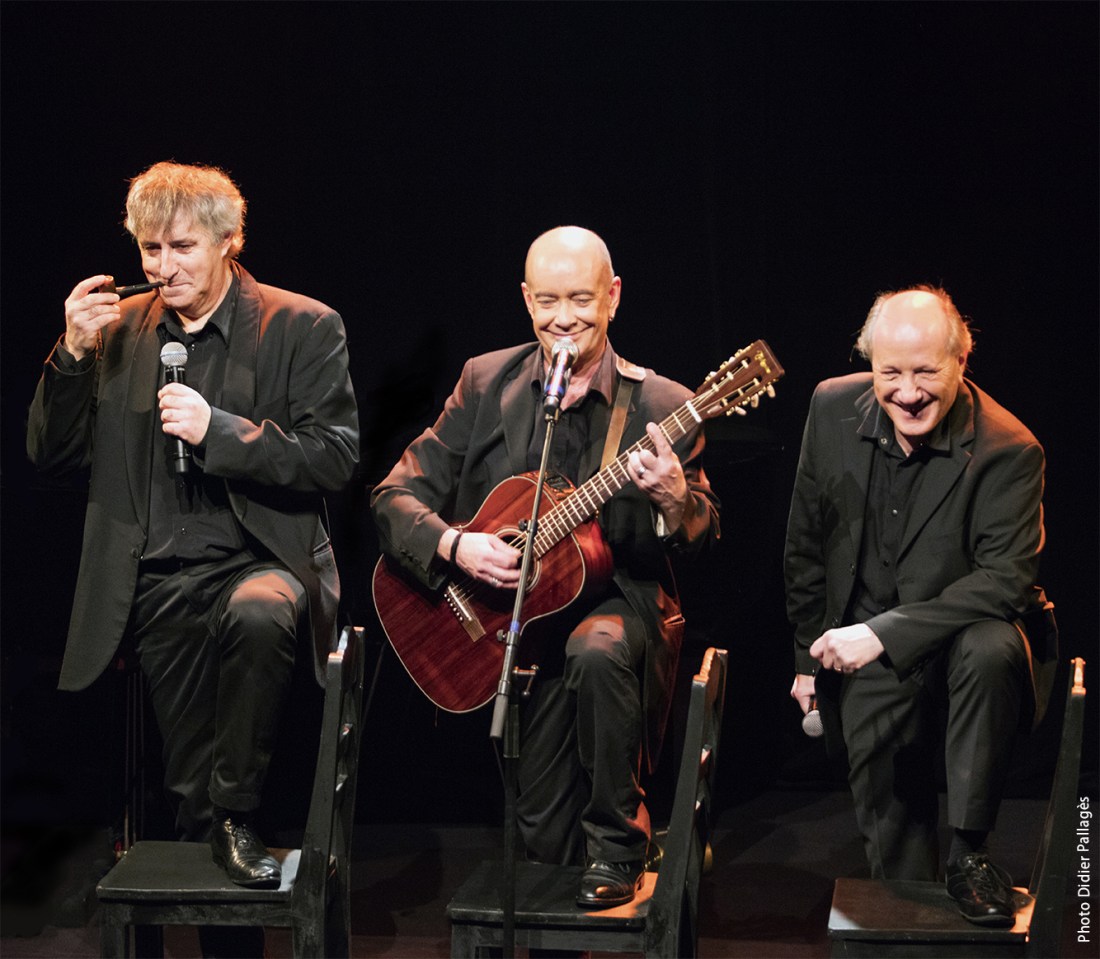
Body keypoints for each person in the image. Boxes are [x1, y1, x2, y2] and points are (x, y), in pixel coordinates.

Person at [27, 162, 358, 953]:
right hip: (159, 578)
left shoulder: (301, 325)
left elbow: (334, 456)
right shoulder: (118, 330)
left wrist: (221, 431)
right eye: (149, 248)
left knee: (261, 609)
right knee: (188, 796)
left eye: (181, 246)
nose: (163, 266)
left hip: (259, 559)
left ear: (227, 241)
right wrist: (71, 355)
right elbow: (50, 454)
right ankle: (223, 878)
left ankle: (239, 810)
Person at [371, 226, 720, 908]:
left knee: (597, 647)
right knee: (542, 836)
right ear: (527, 299)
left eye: (582, 299)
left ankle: (621, 841)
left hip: (620, 608)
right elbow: (393, 496)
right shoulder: (485, 380)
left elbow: (705, 532)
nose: (564, 318)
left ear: (613, 296)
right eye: (549, 300)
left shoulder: (658, 403)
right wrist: (455, 545)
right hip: (515, 628)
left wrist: (676, 500)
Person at [784, 285, 1052, 926]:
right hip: (865, 649)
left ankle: (969, 854)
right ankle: (911, 921)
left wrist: (884, 632)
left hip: (965, 644)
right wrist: (805, 658)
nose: (907, 392)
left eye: (926, 372)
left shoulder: (1008, 448)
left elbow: (1005, 582)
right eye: (890, 373)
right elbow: (807, 545)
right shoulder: (830, 407)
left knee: (988, 644)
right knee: (896, 852)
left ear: (961, 361)